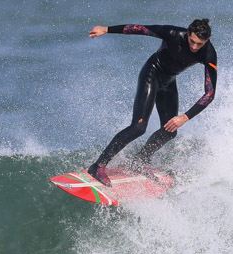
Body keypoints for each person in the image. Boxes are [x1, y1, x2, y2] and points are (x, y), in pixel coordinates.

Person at [86, 19, 217, 186]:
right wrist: (106, 29)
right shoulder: (173, 34)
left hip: (168, 83)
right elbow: (140, 29)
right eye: (192, 41)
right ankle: (98, 166)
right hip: (152, 75)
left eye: (199, 44)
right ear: (188, 33)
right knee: (139, 127)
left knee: (170, 131)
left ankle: (139, 161)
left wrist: (185, 117)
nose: (194, 47)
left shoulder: (208, 54)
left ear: (207, 40)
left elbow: (210, 93)